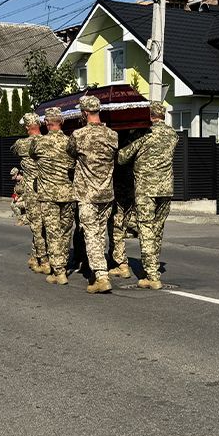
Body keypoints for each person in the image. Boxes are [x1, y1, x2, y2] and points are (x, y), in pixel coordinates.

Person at [117, 100, 178, 290]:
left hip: (146, 189)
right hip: (165, 189)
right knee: (157, 230)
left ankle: (152, 275)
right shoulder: (173, 134)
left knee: (146, 230)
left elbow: (122, 157)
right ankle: (151, 266)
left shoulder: (144, 134)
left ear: (150, 116)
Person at [69, 96, 119, 294]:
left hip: (87, 194)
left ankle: (101, 276)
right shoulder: (112, 135)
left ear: (84, 113)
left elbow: (70, 153)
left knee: (91, 234)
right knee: (99, 234)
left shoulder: (79, 135)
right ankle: (99, 269)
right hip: (106, 193)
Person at [31, 107, 76, 285]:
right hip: (68, 193)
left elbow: (32, 155)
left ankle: (59, 271)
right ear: (62, 122)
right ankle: (63, 263)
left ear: (46, 123)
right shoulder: (70, 141)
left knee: (52, 233)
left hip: (48, 195)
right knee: (65, 231)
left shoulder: (39, 142)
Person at [12, 112, 49, 274]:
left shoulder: (22, 144)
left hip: (32, 191)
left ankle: (44, 260)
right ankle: (35, 256)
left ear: (28, 127)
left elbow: (14, 150)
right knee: (47, 225)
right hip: (48, 188)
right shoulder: (47, 142)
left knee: (36, 226)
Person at [108, 163, 138, 279]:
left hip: (118, 189)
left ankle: (121, 264)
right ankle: (114, 259)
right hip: (130, 188)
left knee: (116, 227)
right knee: (121, 225)